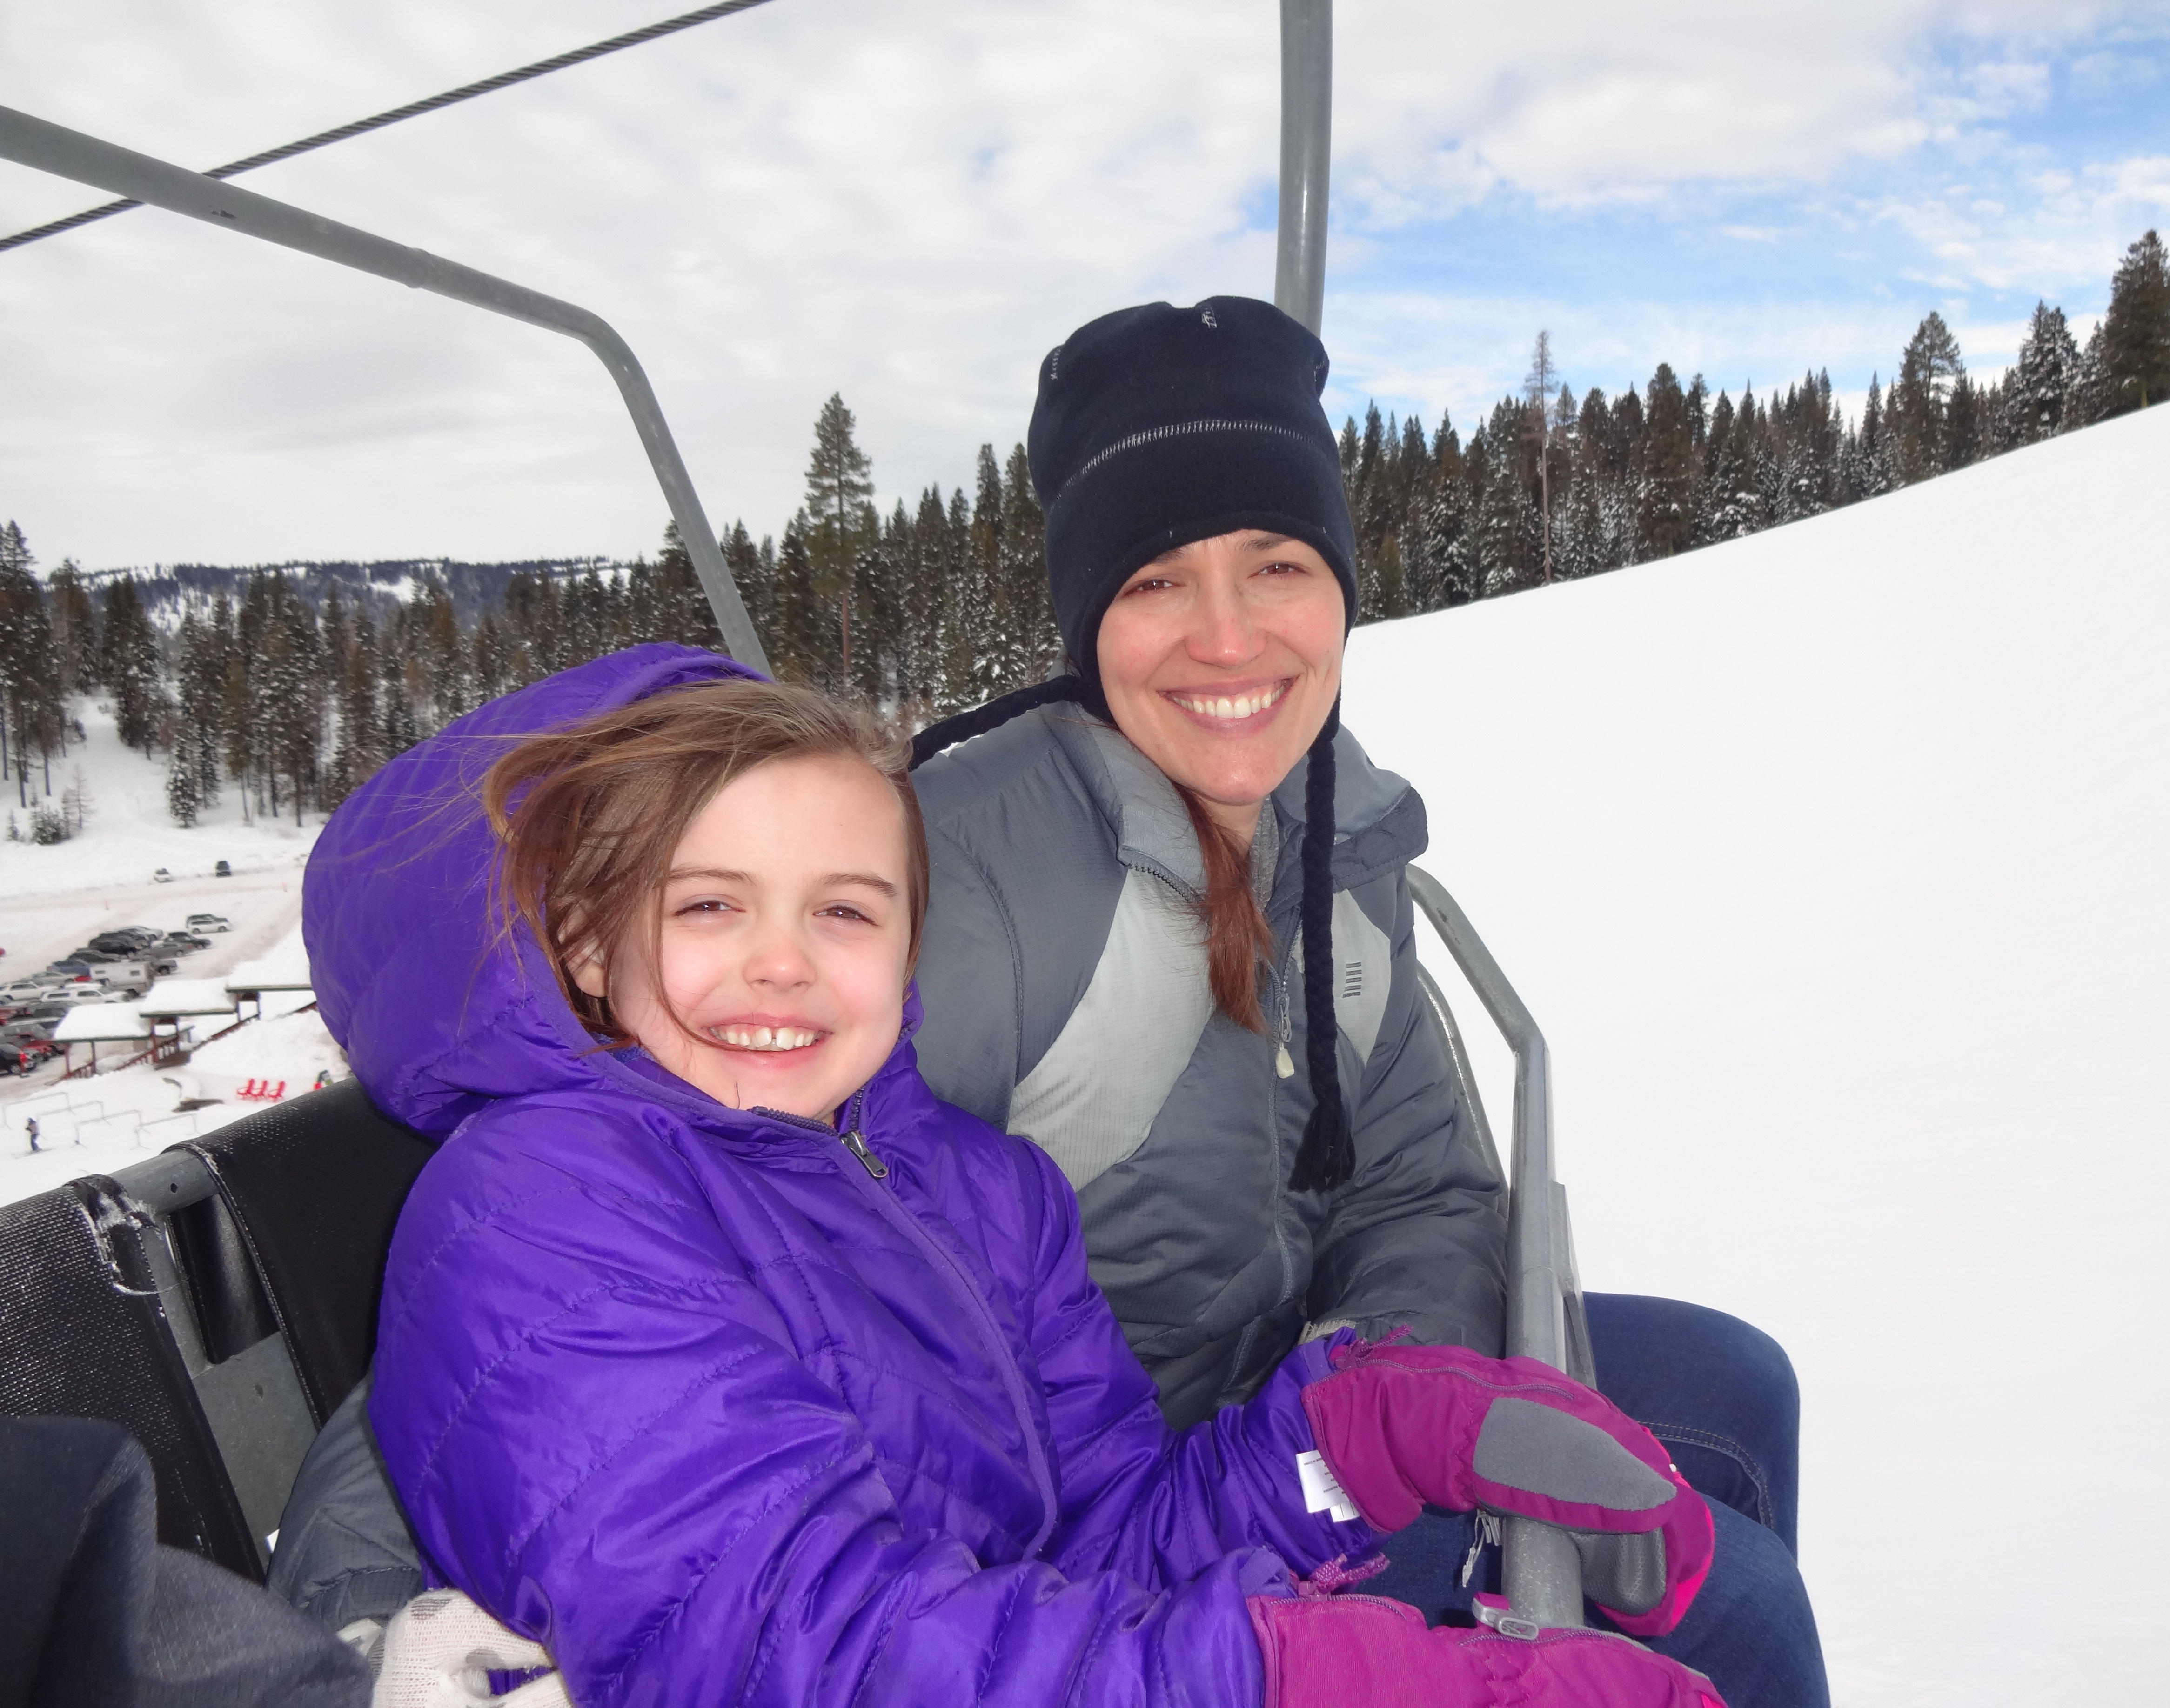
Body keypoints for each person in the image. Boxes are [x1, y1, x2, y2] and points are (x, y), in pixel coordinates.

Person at [301, 654, 1723, 1707]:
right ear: (586, 942)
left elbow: (1111, 1540)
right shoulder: (546, 1205)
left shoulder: (983, 1193)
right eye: (710, 905)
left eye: (844, 911)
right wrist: (1286, 1675)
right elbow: (801, 1648)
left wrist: (1355, 1441)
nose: (783, 962)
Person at [903, 297, 1827, 1707]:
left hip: (1284, 1405)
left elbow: (1425, 1190)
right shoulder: (962, 882)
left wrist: (1377, 1385)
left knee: (1738, 1393)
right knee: (1741, 1613)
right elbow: (836, 1296)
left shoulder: (1329, 829)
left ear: (1340, 586)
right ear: (1091, 621)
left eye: (1276, 565)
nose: (1228, 640)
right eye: (1157, 582)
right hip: (1101, 1536)